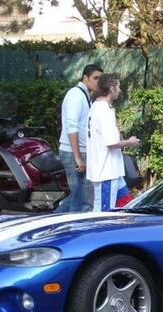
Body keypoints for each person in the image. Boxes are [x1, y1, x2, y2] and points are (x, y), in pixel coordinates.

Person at [86, 74, 140, 212]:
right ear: (111, 88)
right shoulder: (103, 110)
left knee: (124, 202)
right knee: (104, 212)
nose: (120, 90)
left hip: (111, 170)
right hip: (107, 171)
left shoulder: (97, 107)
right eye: (118, 87)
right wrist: (130, 141)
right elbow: (111, 143)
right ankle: (99, 232)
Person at [55, 64, 103, 213]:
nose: (98, 82)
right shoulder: (75, 95)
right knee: (82, 200)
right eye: (95, 78)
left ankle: (50, 222)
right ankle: (72, 230)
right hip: (73, 153)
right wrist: (77, 157)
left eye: (100, 79)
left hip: (79, 152)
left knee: (78, 196)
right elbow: (72, 126)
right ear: (85, 78)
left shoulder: (85, 95)